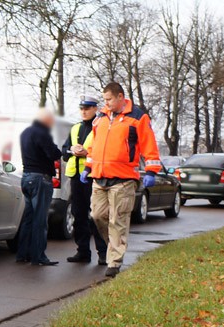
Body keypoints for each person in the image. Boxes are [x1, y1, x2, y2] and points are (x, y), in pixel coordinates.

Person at [83, 82, 162, 278]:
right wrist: (87, 166)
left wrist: (151, 170)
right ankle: (114, 245)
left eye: (109, 99)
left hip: (123, 178)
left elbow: (149, 144)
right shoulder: (101, 117)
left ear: (120, 97)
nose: (106, 103)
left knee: (117, 220)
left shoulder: (137, 117)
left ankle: (114, 261)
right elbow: (94, 145)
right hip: (99, 176)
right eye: (105, 99)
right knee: (97, 215)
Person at [62, 96, 108, 265]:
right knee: (78, 215)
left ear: (95, 109)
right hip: (76, 177)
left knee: (96, 216)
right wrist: (71, 150)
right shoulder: (75, 128)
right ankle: (83, 251)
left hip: (93, 177)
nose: (84, 111)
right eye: (82, 108)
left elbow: (105, 152)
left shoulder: (101, 127)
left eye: (87, 108)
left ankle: (103, 253)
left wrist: (87, 154)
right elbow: (64, 150)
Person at [16, 108, 62, 266]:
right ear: (46, 120)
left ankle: (22, 254)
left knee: (28, 218)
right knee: (40, 219)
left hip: (26, 177)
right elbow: (54, 153)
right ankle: (39, 257)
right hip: (40, 179)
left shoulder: (25, 132)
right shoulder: (42, 133)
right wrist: (59, 150)